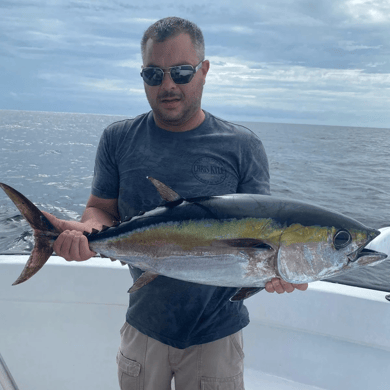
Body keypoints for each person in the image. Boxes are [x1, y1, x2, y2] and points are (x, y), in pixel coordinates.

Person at [43, 17, 308, 390]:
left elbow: (262, 237)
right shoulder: (118, 139)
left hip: (217, 337)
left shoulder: (242, 147)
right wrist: (88, 233)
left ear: (204, 71)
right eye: (153, 74)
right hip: (143, 326)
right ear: (142, 76)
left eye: (181, 72)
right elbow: (101, 209)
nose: (167, 84)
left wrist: (278, 272)